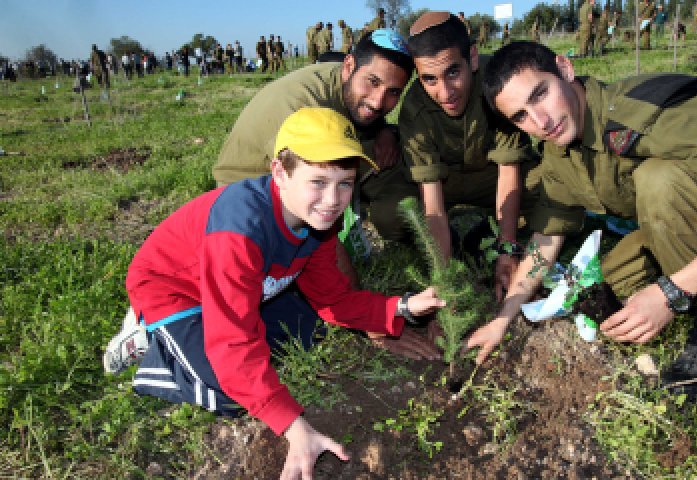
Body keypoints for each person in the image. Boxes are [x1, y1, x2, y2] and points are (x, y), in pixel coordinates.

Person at [103, 106, 447, 478]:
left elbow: (333, 300)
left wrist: (404, 307)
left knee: (308, 332)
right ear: (280, 173)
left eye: (345, 183)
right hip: (177, 291)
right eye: (318, 182)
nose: (333, 200)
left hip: (238, 290)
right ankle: (149, 341)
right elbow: (232, 341)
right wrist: (293, 426)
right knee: (231, 390)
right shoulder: (240, 230)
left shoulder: (318, 223)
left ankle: (186, 338)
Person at [469, 41, 697, 399]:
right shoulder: (560, 151)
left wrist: (671, 293)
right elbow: (546, 238)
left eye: (541, 95)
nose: (541, 121)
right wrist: (503, 318)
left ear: (565, 69)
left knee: (659, 181)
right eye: (520, 116)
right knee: (610, 282)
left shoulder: (645, 112)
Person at [213, 31, 435, 359]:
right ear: (347, 67)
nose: (377, 101)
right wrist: (373, 326)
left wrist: (384, 129)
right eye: (371, 83)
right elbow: (317, 217)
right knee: (289, 323)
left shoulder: (353, 94)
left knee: (393, 180)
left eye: (392, 93)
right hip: (252, 201)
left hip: (315, 178)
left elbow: (370, 109)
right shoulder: (299, 108)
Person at [399, 12, 541, 300]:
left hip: (492, 178)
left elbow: (509, 172)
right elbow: (433, 204)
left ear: (472, 58)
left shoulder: (496, 83)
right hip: (443, 186)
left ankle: (491, 231)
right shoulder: (414, 109)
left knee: (547, 190)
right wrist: (443, 281)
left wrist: (507, 249)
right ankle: (455, 241)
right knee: (398, 216)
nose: (445, 92)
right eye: (429, 79)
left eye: (453, 72)